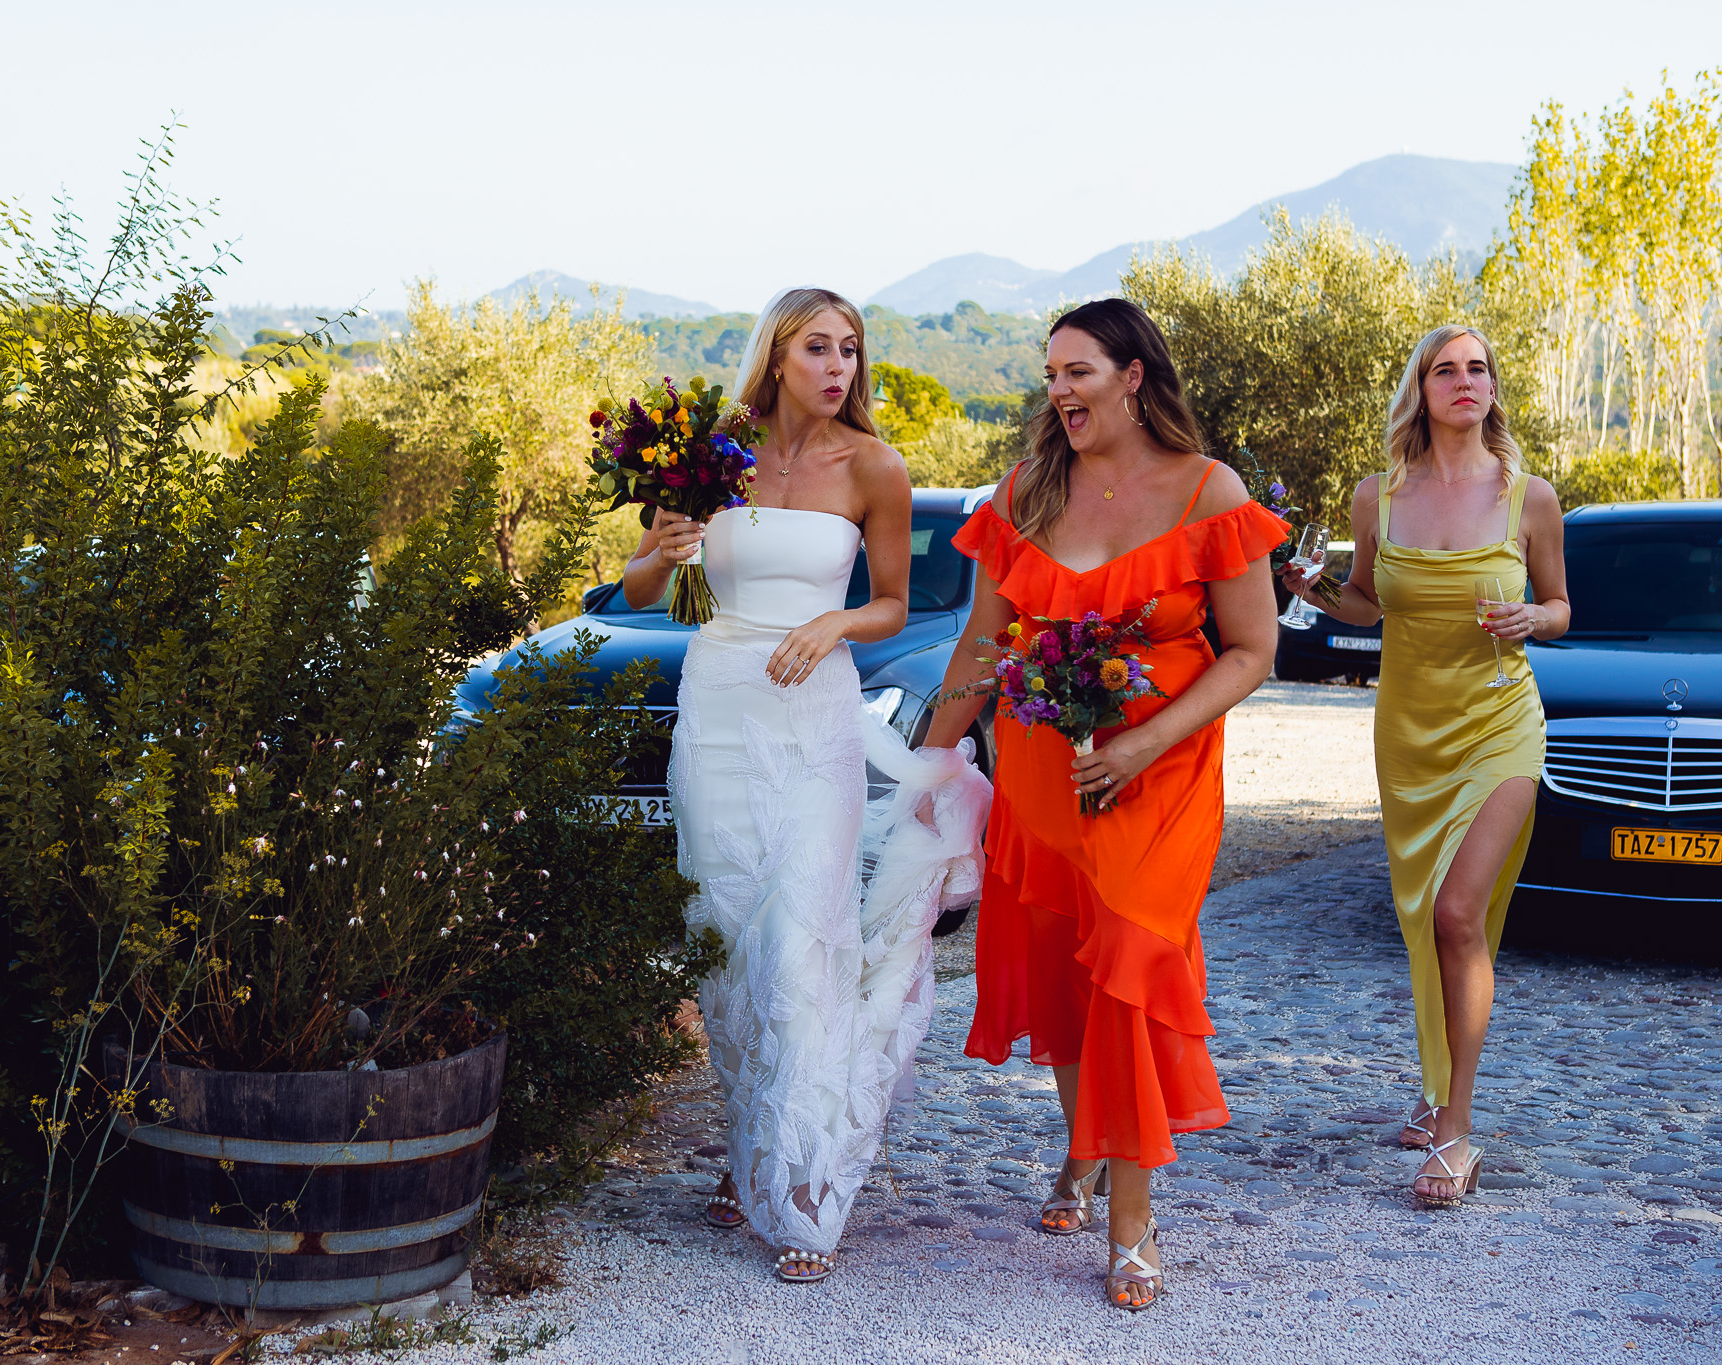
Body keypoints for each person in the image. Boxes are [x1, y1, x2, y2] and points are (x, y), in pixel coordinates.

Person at [920, 298, 1283, 1312]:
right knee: (1066, 969)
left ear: (1132, 376)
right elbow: (984, 651)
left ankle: (1131, 1223)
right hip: (1045, 776)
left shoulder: (1211, 491)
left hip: (1160, 773)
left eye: (1076, 371)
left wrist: (1143, 742)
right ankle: (1082, 1149)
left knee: (1126, 961)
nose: (1059, 392)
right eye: (1049, 377)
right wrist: (929, 767)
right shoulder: (1028, 493)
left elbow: (1253, 651)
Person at [624, 287, 990, 1284]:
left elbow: (886, 606)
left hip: (814, 715)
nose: (837, 367)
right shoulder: (714, 457)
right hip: (723, 711)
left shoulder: (871, 465)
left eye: (850, 350)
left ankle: (805, 1187)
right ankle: (753, 1149)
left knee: (796, 937)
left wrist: (831, 625)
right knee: (728, 929)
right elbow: (640, 593)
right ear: (776, 355)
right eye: (818, 347)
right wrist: (655, 551)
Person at [1281, 324, 1565, 1205]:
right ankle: (1436, 1084)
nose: (1465, 380)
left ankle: (1456, 1130)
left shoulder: (1530, 497)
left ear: (1492, 387)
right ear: (1422, 389)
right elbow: (1366, 603)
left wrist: (1532, 621)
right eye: (1446, 369)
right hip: (1408, 734)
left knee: (1457, 910)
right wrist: (1312, 590)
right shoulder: (1381, 497)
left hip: (1501, 723)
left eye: (1479, 366)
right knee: (1424, 917)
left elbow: (1560, 605)